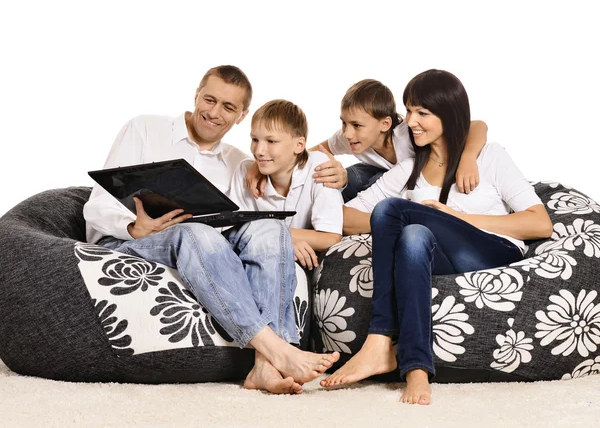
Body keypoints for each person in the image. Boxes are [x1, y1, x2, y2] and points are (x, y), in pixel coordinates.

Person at [84, 65, 339, 395]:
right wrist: (134, 227)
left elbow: (244, 216)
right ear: (196, 95)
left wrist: (334, 173)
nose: (214, 113)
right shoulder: (145, 128)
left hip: (199, 248)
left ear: (241, 115)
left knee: (268, 229)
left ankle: (264, 367)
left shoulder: (239, 161)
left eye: (228, 107)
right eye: (210, 99)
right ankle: (278, 348)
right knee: (196, 232)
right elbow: (95, 205)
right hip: (129, 242)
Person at [320, 69, 553, 404]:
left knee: (393, 211)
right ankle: (416, 368)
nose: (410, 121)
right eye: (409, 110)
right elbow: (342, 216)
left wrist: (459, 218)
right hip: (438, 256)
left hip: (491, 251)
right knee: (413, 234)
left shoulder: (489, 157)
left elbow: (540, 223)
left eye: (422, 113)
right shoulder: (410, 169)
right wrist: (396, 225)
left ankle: (379, 338)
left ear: (449, 115)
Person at [245, 79, 488, 202]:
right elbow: (307, 152)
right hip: (382, 177)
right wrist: (261, 164)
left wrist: (468, 157)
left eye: (357, 126)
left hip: (409, 183)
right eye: (344, 123)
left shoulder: (408, 132)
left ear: (385, 125)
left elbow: (478, 125)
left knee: (367, 177)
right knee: (349, 174)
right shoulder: (348, 137)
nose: (348, 133)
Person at [229, 100, 343, 271]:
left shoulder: (318, 166)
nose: (259, 150)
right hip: (255, 256)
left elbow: (330, 237)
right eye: (254, 139)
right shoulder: (245, 170)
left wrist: (280, 237)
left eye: (271, 141)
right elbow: (233, 233)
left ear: (299, 145)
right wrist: (283, 241)